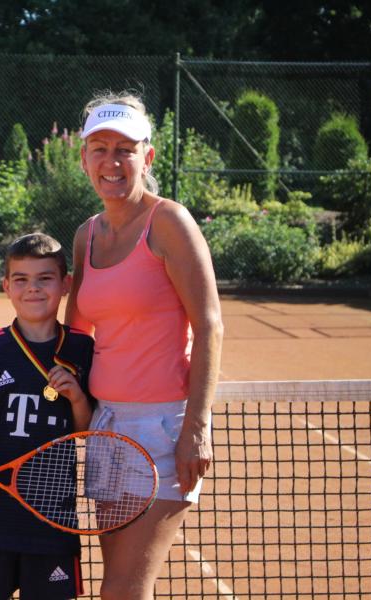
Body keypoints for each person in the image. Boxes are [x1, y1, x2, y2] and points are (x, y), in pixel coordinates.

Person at [64, 91, 224, 600]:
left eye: (125, 149)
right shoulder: (85, 236)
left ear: (147, 156)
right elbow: (77, 334)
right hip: (106, 426)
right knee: (124, 585)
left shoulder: (170, 223)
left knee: (123, 590)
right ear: (84, 157)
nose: (112, 162)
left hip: (162, 429)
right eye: (100, 148)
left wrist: (196, 429)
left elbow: (210, 324)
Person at [0, 233, 94, 600]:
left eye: (45, 278)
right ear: (7, 286)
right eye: (21, 280)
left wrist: (75, 397)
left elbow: (85, 431)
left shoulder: (81, 348)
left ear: (65, 284)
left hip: (52, 516)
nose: (33, 289)